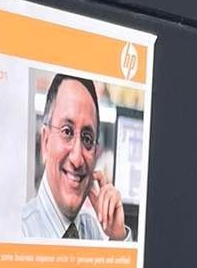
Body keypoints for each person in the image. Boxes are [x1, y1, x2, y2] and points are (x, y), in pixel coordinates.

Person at [20, 73, 131, 241]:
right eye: (67, 131)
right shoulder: (18, 232)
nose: (77, 159)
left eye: (87, 139)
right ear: (45, 142)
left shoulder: (93, 231)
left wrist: (118, 239)